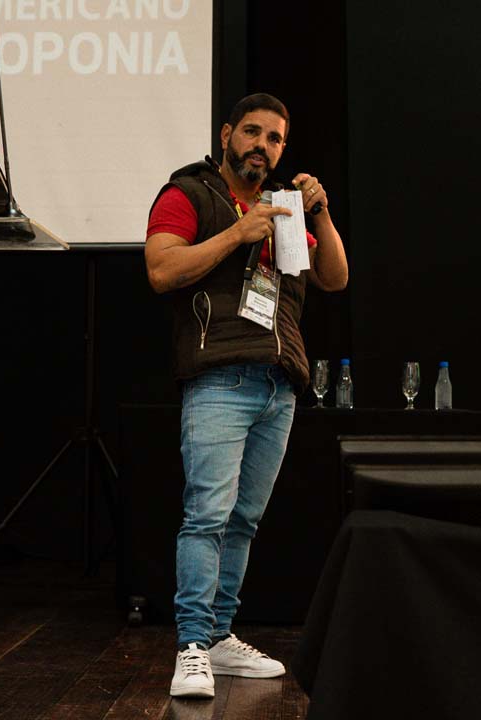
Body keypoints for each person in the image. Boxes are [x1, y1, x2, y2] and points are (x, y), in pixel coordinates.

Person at [144, 93, 348, 699]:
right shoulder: (188, 193)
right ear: (227, 134)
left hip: (279, 384)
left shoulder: (284, 206)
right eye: (253, 133)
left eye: (275, 138)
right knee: (207, 515)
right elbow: (161, 270)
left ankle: (218, 636)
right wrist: (237, 232)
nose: (263, 145)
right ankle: (190, 646)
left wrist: (320, 214)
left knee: (243, 520)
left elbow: (335, 277)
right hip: (219, 378)